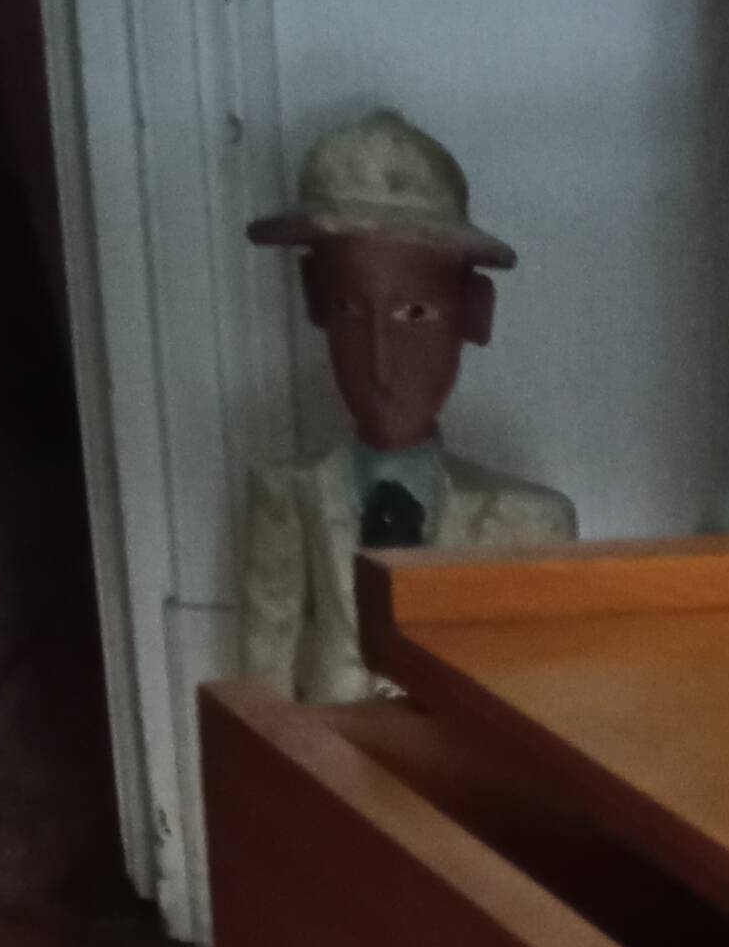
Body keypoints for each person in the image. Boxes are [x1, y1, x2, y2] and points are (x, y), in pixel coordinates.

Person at [240, 110, 574, 706]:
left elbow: (546, 707)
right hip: (324, 762)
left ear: (475, 311)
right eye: (348, 311)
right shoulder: (287, 497)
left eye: (415, 314)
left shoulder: (528, 523)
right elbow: (258, 698)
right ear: (314, 298)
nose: (382, 364)